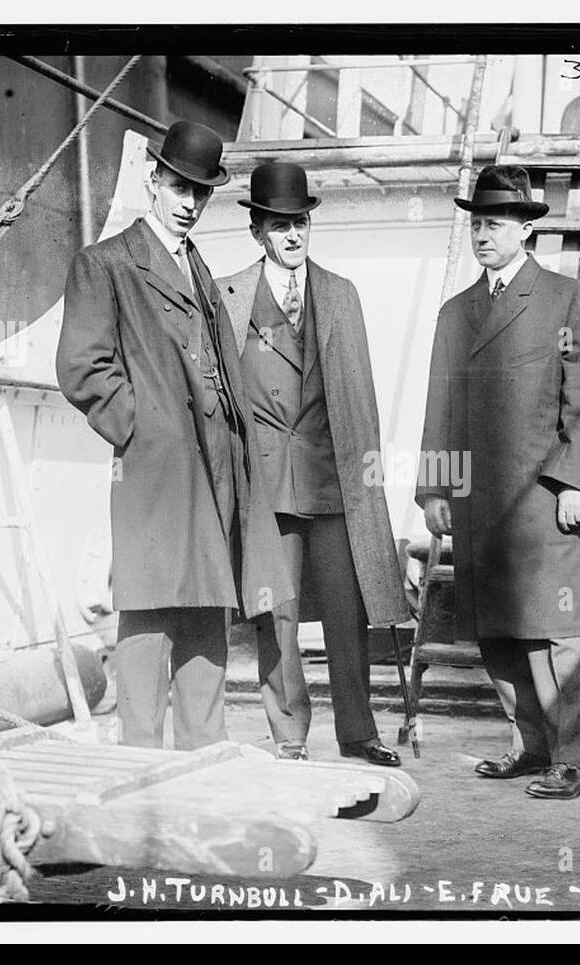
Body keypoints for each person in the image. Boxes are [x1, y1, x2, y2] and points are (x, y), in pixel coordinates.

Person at [55, 121, 293, 751]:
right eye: (180, 186)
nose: (189, 202)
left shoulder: (197, 267)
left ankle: (204, 769)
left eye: (201, 192)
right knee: (147, 618)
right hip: (155, 474)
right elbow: (82, 368)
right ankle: (138, 777)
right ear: (153, 180)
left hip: (214, 471)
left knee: (205, 618)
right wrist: (143, 431)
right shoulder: (106, 264)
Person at [416, 164, 580, 800]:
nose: (482, 233)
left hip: (546, 499)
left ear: (525, 229)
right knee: (496, 629)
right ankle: (530, 745)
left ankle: (575, 759)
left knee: (560, 634)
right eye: (476, 222)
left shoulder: (564, 299)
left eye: (495, 222)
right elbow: (439, 409)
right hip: (478, 501)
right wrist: (435, 490)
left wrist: (578, 482)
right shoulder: (456, 312)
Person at [217, 162, 410, 767]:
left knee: (348, 611)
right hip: (268, 484)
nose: (293, 234)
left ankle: (359, 732)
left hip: (333, 484)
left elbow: (361, 399)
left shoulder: (340, 293)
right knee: (276, 614)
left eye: (300, 221)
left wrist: (371, 480)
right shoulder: (228, 296)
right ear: (258, 231)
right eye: (279, 224)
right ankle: (289, 737)